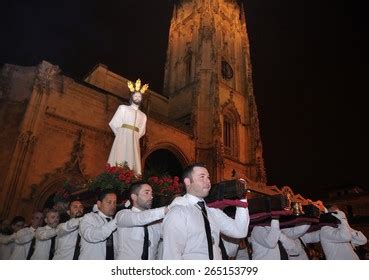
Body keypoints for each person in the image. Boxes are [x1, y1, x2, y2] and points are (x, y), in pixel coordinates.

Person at [162, 163, 249, 260]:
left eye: (208, 178)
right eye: (202, 177)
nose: (208, 181)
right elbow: (171, 256)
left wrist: (242, 199)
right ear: (187, 181)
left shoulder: (213, 212)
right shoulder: (178, 212)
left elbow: (240, 231)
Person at [115, 182, 182, 260]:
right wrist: (169, 208)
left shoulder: (155, 221)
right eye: (146, 193)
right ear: (134, 197)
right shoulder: (123, 215)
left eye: (151, 193)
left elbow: (172, 234)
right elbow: (139, 218)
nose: (151, 197)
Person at [107, 79, 148, 174]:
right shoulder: (123, 108)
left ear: (141, 99)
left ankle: (131, 176)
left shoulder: (143, 115)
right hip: (122, 136)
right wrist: (121, 135)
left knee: (133, 158)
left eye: (139, 96)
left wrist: (134, 136)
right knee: (119, 155)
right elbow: (113, 123)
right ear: (132, 97)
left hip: (134, 139)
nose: (137, 98)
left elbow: (142, 131)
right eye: (135, 96)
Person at [79, 190, 118, 260]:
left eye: (115, 202)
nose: (113, 206)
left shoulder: (116, 221)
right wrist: (116, 221)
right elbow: (91, 236)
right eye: (109, 202)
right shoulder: (89, 217)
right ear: (99, 204)